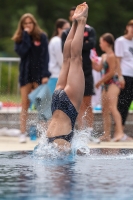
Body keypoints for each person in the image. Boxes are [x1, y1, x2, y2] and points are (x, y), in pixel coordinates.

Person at [46, 2, 88, 150]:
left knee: (74, 59)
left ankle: (81, 21)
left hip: (65, 112)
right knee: (68, 60)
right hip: (57, 101)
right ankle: (74, 23)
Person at [12, 13, 51, 143]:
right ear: (22, 25)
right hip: (25, 74)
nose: (28, 25)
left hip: (39, 75)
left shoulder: (42, 36)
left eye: (30, 23)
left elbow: (45, 56)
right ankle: (23, 133)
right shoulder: (19, 38)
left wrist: (45, 74)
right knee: (25, 104)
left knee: (42, 105)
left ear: (34, 23)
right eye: (25, 23)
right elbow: (22, 52)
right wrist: (25, 37)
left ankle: (43, 133)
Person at [61, 6, 97, 142]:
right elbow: (69, 52)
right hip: (72, 70)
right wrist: (83, 43)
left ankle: (89, 131)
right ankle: (80, 130)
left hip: (85, 69)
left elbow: (91, 44)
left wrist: (84, 44)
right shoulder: (66, 33)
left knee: (87, 103)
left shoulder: (90, 30)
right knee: (73, 57)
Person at [92, 33, 126, 141]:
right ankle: (106, 134)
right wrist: (91, 62)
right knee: (104, 110)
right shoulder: (104, 56)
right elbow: (99, 69)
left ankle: (120, 132)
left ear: (106, 42)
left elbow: (111, 72)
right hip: (105, 84)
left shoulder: (112, 56)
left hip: (113, 83)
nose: (100, 44)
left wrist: (99, 82)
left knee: (112, 107)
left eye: (101, 42)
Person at [115, 20, 133, 139]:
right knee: (123, 103)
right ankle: (119, 131)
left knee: (128, 103)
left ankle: (122, 131)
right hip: (125, 75)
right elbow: (117, 60)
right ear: (127, 27)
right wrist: (120, 76)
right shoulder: (121, 41)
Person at [48, 19, 70, 94]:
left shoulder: (56, 40)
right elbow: (62, 60)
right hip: (57, 76)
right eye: (66, 29)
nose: (68, 31)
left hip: (56, 76)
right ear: (59, 29)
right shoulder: (57, 41)